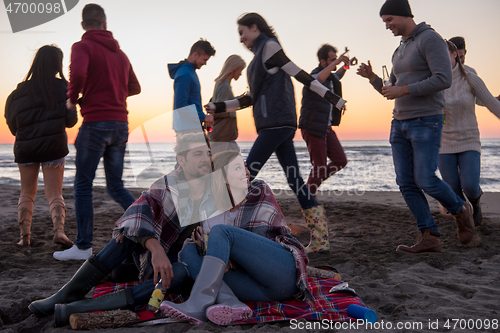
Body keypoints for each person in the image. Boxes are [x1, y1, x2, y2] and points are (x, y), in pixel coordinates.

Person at [28, 132, 218, 327]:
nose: (206, 159)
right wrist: (156, 249)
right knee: (128, 232)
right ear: (182, 160)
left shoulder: (217, 188)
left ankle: (85, 306)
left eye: (208, 153)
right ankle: (68, 294)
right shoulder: (168, 185)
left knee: (180, 273)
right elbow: (138, 210)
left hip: (186, 262)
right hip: (155, 256)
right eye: (198, 154)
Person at [205, 13, 346, 254]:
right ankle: (321, 238)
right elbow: (249, 98)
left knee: (245, 173)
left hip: (277, 124)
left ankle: (216, 229)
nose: (241, 39)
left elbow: (299, 73)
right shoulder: (258, 61)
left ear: (254, 27)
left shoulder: (269, 47)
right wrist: (217, 107)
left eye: (242, 32)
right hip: (276, 125)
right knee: (295, 180)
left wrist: (332, 98)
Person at [356, 0, 474, 254]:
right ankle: (430, 236)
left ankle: (461, 211)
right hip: (399, 122)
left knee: (426, 179)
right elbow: (391, 89)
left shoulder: (431, 39)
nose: (387, 26)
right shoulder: (400, 48)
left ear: (403, 15)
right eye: (384, 21)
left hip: (425, 120)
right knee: (406, 183)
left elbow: (443, 78)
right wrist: (373, 78)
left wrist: (404, 89)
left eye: (389, 20)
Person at [160, 150, 310, 325]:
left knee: (221, 232)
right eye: (238, 168)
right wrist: (202, 244)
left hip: (281, 274)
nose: (247, 172)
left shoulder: (259, 191)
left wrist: (230, 257)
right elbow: (214, 254)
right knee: (189, 249)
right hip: (254, 289)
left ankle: (197, 303)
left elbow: (266, 238)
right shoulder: (209, 208)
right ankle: (231, 302)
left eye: (245, 166)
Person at [53, 4, 141, 261]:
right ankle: (150, 225)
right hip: (120, 125)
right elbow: (134, 87)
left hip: (95, 124)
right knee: (115, 186)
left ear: (83, 25)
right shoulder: (121, 55)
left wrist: (73, 99)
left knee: (82, 185)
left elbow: (78, 74)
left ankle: (83, 247)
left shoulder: (81, 47)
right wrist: (113, 90)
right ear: (104, 23)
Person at [4, 45, 77, 248]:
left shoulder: (17, 92)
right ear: (57, 64)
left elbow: (12, 125)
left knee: (27, 192)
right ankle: (59, 232)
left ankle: (24, 237)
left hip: (26, 148)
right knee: (54, 193)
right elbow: (70, 121)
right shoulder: (64, 88)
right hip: (54, 147)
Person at [438, 40, 500, 227]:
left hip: (469, 140)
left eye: (443, 55)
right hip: (443, 143)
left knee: (470, 186)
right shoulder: (433, 82)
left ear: (454, 54)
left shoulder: (471, 78)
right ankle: (465, 223)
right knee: (454, 191)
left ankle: (476, 203)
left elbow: (493, 105)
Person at [299, 44, 352, 197]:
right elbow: (315, 82)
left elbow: (338, 75)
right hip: (312, 126)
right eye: (332, 60)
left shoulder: (329, 78)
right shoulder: (314, 77)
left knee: (340, 160)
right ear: (323, 62)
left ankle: (310, 189)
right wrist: (338, 62)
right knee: (319, 167)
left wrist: (347, 64)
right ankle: (309, 197)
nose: (336, 62)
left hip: (326, 127)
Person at [168, 39, 216, 132]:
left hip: (190, 127)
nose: (205, 63)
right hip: (187, 129)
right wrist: (203, 117)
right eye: (204, 59)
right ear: (195, 55)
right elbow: (181, 105)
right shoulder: (185, 74)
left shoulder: (189, 72)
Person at [209, 55, 246, 155]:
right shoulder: (224, 86)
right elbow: (219, 110)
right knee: (236, 165)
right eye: (240, 70)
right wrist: (235, 106)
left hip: (222, 135)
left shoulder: (222, 84)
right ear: (234, 68)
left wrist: (236, 99)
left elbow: (221, 104)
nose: (241, 73)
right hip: (222, 135)